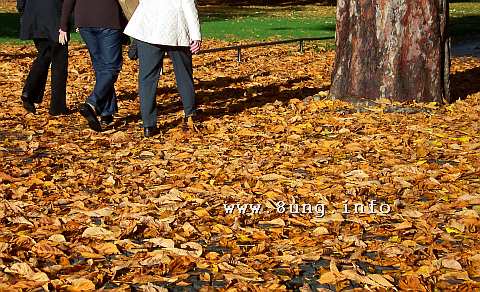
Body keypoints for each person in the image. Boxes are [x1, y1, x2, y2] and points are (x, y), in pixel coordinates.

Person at [124, 0, 202, 137]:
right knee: (184, 74)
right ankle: (190, 114)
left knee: (147, 79)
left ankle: (148, 124)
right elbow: (188, 5)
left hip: (148, 28)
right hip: (175, 27)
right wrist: (196, 35)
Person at [59, 0, 125, 132]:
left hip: (84, 20)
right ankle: (92, 102)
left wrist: (63, 25)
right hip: (108, 18)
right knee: (111, 67)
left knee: (101, 68)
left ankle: (106, 112)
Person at [17, 0, 68, 116]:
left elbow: (20, 3)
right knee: (59, 62)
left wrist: (23, 9)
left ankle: (29, 92)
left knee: (44, 54)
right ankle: (57, 106)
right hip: (54, 15)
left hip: (34, 14)